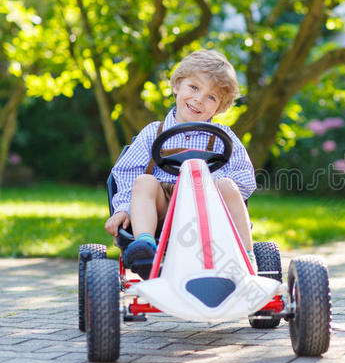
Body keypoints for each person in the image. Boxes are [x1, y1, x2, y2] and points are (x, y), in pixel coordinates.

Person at [104, 50, 257, 276]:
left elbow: (245, 179)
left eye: (211, 97)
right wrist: (124, 209)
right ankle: (145, 247)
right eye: (194, 88)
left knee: (228, 185)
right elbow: (126, 175)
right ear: (177, 85)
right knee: (144, 180)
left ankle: (246, 258)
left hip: (208, 205)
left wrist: (213, 185)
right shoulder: (153, 133)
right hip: (162, 208)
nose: (198, 99)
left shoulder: (224, 138)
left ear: (220, 107)